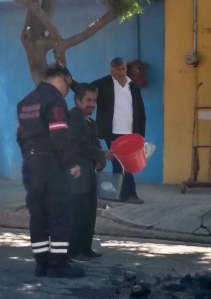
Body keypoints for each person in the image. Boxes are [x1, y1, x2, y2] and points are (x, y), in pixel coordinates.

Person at [16, 63, 85, 279]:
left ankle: (41, 264)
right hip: (51, 165)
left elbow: (20, 137)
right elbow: (58, 136)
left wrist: (29, 158)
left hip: (30, 163)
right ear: (61, 78)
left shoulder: (24, 102)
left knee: (37, 215)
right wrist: (70, 163)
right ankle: (58, 265)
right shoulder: (55, 101)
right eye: (68, 84)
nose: (67, 90)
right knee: (60, 215)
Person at [92, 57, 147, 204]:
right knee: (121, 163)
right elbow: (84, 90)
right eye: (118, 69)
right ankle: (130, 194)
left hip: (130, 132)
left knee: (122, 164)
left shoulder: (133, 86)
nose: (121, 72)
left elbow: (141, 112)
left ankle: (119, 193)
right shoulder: (102, 84)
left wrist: (141, 135)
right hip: (112, 132)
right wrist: (70, 82)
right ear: (111, 69)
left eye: (123, 68)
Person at [67, 83, 109, 261]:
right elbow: (78, 144)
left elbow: (96, 145)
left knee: (90, 213)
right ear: (77, 100)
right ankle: (74, 250)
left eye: (94, 101)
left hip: (89, 174)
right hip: (76, 176)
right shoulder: (73, 117)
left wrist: (101, 160)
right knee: (78, 214)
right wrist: (101, 154)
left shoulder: (90, 122)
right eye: (88, 100)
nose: (91, 104)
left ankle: (86, 248)